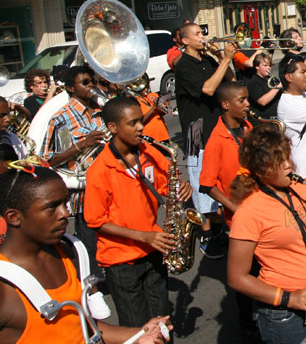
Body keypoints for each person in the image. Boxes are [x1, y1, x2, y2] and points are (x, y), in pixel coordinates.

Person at [0, 167, 172, 343]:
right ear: (14, 217)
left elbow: (82, 327)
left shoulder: (69, 254)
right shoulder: (3, 286)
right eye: (51, 207)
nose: (65, 213)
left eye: (65, 202)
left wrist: (139, 335)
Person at [83, 96, 192, 328]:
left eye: (140, 121)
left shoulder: (148, 151)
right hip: (122, 261)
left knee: (162, 321)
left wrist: (182, 187)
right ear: (113, 128)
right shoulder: (99, 171)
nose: (141, 127)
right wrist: (144, 236)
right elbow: (95, 221)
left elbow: (166, 185)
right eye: (133, 123)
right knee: (137, 328)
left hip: (153, 249)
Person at [226, 126, 306, 344]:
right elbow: (236, 278)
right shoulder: (249, 212)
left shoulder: (302, 189)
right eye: (279, 162)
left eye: (287, 157)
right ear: (260, 171)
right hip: (283, 313)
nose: (289, 165)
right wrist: (290, 299)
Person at [174, 22, 235, 259]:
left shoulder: (208, 60)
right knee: (202, 183)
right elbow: (208, 89)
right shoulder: (184, 66)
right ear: (185, 40)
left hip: (217, 128)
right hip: (197, 132)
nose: (203, 37)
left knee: (220, 179)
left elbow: (228, 81)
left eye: (202, 33)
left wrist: (222, 57)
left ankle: (220, 227)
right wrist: (225, 60)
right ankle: (207, 235)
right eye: (197, 34)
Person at [41, 65, 107, 275]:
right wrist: (82, 144)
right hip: (83, 191)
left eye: (92, 81)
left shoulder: (100, 111)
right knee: (90, 243)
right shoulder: (60, 118)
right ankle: (93, 286)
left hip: (106, 184)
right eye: (85, 83)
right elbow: (47, 159)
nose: (91, 86)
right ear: (71, 88)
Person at [199, 82, 252, 226]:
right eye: (241, 101)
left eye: (247, 99)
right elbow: (206, 185)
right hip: (239, 214)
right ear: (226, 105)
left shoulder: (248, 127)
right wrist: (233, 207)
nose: (247, 104)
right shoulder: (216, 141)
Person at [131, 77, 170, 145]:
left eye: (147, 86)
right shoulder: (135, 101)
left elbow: (164, 113)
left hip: (163, 135)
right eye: (144, 87)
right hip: (149, 139)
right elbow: (141, 121)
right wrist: (154, 108)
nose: (146, 89)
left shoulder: (153, 95)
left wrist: (164, 105)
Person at [247, 51, 282, 121]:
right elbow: (262, 101)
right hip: (262, 121)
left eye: (269, 65)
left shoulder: (272, 79)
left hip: (275, 119)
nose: (268, 68)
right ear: (257, 66)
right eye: (265, 66)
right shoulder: (253, 82)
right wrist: (277, 87)